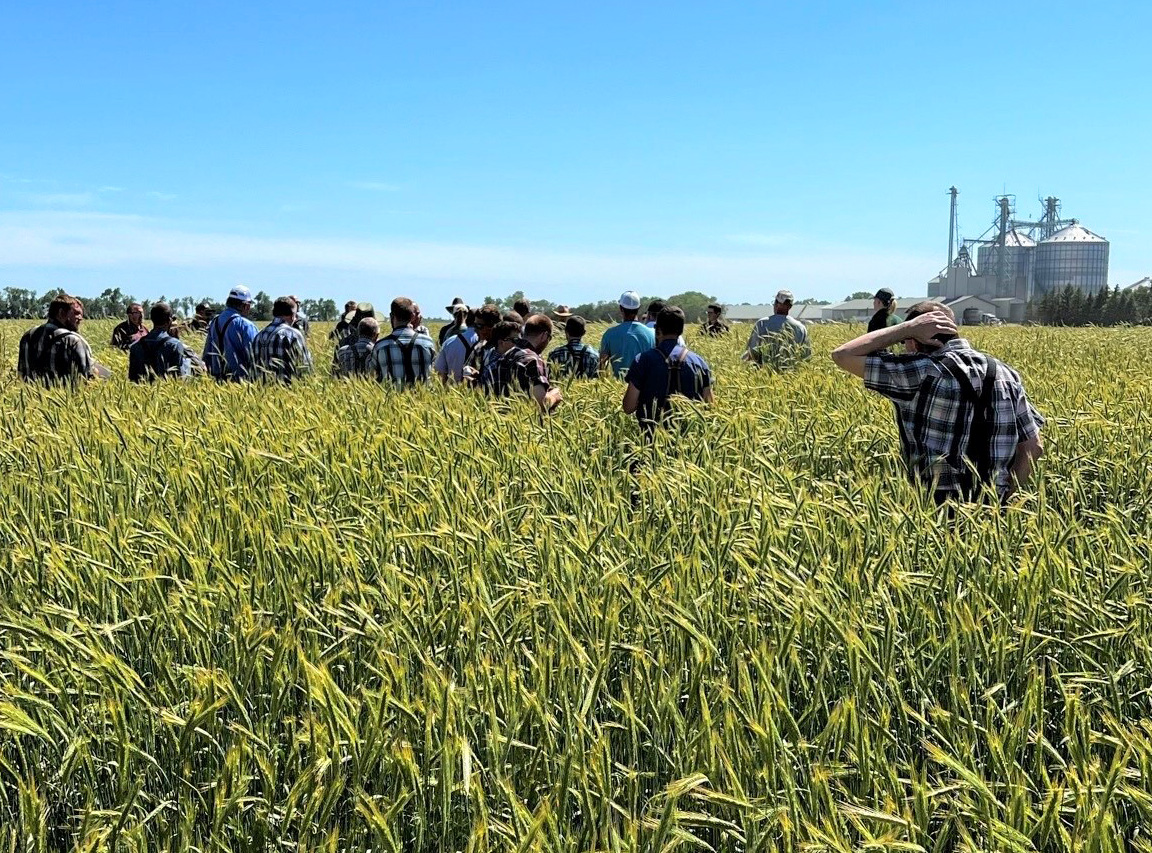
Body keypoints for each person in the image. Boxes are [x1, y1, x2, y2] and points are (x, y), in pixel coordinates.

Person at [830, 300, 1045, 505]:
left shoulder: (919, 372)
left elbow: (842, 355)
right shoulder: (1005, 373)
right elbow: (1033, 447)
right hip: (994, 509)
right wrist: (1006, 494)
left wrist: (906, 328)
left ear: (913, 341)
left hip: (934, 507)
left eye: (905, 342)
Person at [623, 306, 713, 432]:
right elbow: (709, 407)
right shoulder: (699, 363)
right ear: (681, 331)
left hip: (650, 441)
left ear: (657, 330)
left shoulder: (642, 360)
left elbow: (628, 407)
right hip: (689, 442)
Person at [18, 294, 109, 385]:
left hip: (32, 396)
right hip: (69, 397)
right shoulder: (74, 341)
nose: (81, 318)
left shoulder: (28, 336)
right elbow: (85, 380)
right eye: (76, 313)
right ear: (61, 313)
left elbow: (22, 374)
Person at [484, 315, 563, 414]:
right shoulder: (532, 360)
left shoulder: (505, 355)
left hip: (499, 424)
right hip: (525, 425)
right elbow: (539, 403)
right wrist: (553, 397)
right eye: (549, 338)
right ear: (544, 335)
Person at [373, 297, 437, 387]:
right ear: (412, 316)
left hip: (390, 399)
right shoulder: (427, 342)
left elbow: (372, 375)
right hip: (423, 398)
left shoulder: (380, 346)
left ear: (391, 316)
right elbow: (435, 372)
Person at [203, 286, 259, 381]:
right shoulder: (246, 325)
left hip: (216, 381)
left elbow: (207, 354)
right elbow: (255, 357)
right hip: (241, 382)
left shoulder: (215, 322)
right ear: (246, 306)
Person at [252, 296, 313, 383]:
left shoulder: (259, 335)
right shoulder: (293, 334)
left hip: (260, 391)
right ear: (292, 315)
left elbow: (252, 367)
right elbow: (305, 366)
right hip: (287, 392)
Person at [744, 290, 811, 369]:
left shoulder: (762, 323)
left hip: (766, 373)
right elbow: (806, 356)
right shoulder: (800, 327)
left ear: (777, 304)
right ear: (790, 306)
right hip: (791, 375)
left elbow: (752, 352)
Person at [128, 302, 193, 382]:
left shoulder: (135, 346)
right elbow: (179, 378)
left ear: (152, 319)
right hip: (167, 392)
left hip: (140, 393)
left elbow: (132, 379)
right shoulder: (175, 345)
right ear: (169, 321)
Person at [599, 290, 656, 378]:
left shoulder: (609, 334)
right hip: (645, 387)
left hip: (618, 388)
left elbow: (602, 367)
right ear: (639, 308)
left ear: (621, 308)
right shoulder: (652, 333)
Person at [434, 307, 480, 384]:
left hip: (453, 390)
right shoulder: (485, 341)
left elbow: (440, 371)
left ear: (466, 320)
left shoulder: (449, 342)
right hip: (480, 390)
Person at [462, 304, 504, 388]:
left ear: (491, 326)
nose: (475, 329)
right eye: (475, 325)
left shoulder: (503, 349)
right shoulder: (479, 347)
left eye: (479, 326)